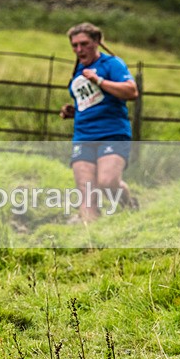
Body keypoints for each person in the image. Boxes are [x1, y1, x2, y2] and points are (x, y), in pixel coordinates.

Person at [59, 22, 139, 223]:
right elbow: (90, 102)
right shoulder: (77, 71)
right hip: (83, 136)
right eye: (75, 46)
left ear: (96, 42)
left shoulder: (111, 64)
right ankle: (91, 243)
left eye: (84, 44)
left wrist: (99, 81)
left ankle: (130, 205)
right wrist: (74, 111)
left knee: (107, 182)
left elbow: (132, 91)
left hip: (112, 132)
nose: (79, 50)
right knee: (86, 197)